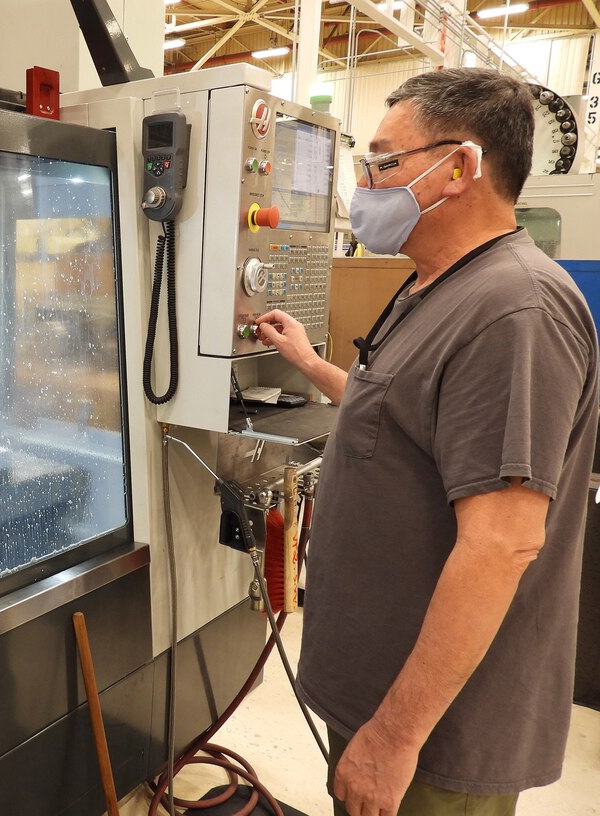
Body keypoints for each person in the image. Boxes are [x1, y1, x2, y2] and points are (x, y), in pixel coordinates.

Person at [256, 68, 599, 816]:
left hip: (435, 735)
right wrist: (313, 365)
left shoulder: (516, 311)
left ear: (460, 168)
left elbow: (501, 542)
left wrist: (394, 738)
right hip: (376, 693)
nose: (367, 182)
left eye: (384, 161)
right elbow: (407, 418)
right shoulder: (434, 284)